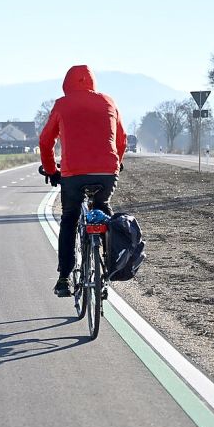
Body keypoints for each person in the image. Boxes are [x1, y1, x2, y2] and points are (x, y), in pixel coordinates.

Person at [38, 65, 127, 297]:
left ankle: (64, 278)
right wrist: (117, 162)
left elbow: (46, 141)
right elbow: (122, 138)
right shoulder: (108, 101)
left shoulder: (62, 104)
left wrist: (50, 170)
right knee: (103, 211)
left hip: (73, 174)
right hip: (106, 172)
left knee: (69, 219)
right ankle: (106, 271)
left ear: (66, 84)